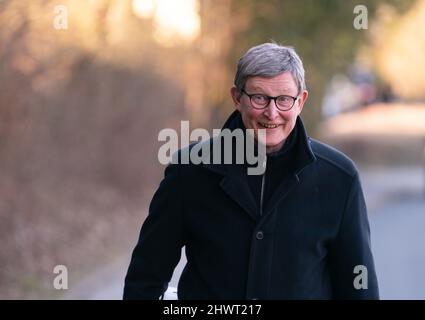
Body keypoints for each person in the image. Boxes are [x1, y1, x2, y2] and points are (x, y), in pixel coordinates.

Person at [123, 43, 379, 299]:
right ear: (237, 98)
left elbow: (359, 289)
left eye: (284, 99)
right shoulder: (189, 171)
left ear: (301, 101)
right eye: (259, 97)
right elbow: (145, 279)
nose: (271, 112)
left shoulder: (339, 178)